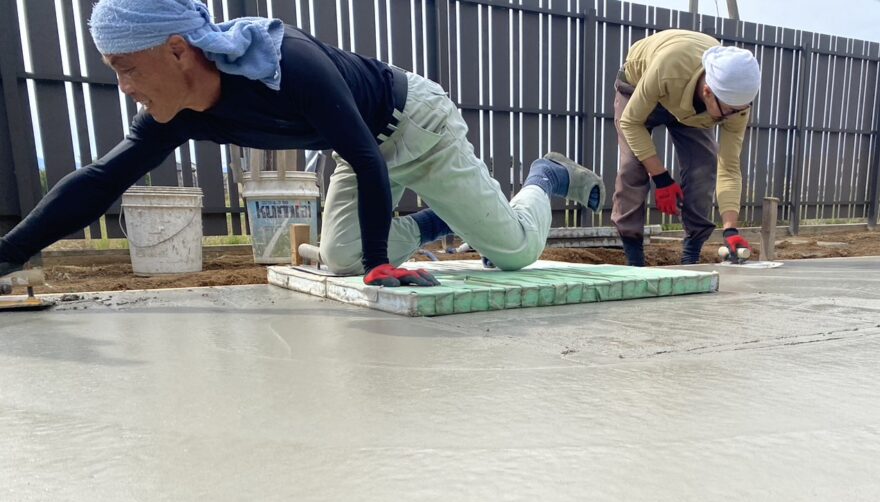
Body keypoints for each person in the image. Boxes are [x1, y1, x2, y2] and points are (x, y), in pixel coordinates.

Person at [0, 0, 604, 289]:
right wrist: (7, 254)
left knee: (514, 253)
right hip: (360, 150)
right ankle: (441, 219)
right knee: (339, 257)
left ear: (178, 50)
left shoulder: (285, 61)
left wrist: (379, 266)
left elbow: (367, 156)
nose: (124, 87)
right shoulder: (175, 113)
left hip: (415, 125)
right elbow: (101, 180)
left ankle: (543, 179)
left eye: (126, 68)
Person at [611, 30, 761, 267]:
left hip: (690, 108)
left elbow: (729, 167)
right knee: (633, 166)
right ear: (708, 93)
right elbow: (631, 123)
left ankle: (691, 255)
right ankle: (634, 260)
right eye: (729, 111)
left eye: (740, 109)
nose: (734, 116)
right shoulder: (668, 68)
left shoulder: (734, 107)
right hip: (638, 85)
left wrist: (730, 228)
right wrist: (660, 177)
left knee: (704, 166)